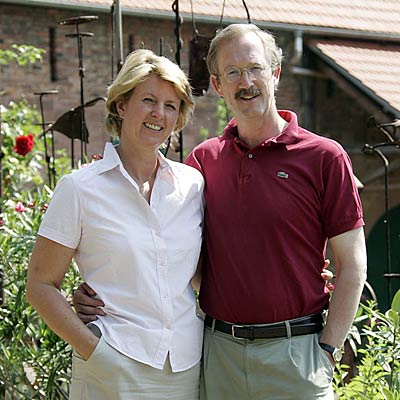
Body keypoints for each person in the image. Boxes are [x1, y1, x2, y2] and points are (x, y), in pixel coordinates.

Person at [74, 24, 367, 399]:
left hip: (296, 354)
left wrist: (327, 349)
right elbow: (161, 247)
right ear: (217, 85)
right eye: (232, 72)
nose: (245, 81)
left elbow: (353, 264)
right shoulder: (201, 163)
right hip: (217, 353)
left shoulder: (325, 157)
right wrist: (97, 292)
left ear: (274, 73)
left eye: (255, 68)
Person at [26, 49, 205, 400]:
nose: (159, 114)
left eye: (171, 105)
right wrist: (96, 350)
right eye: (148, 100)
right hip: (113, 365)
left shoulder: (192, 186)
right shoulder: (80, 188)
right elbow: (40, 284)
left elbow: (200, 275)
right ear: (121, 106)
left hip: (187, 367)